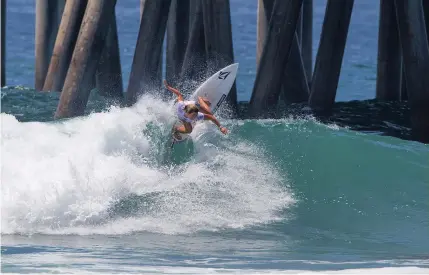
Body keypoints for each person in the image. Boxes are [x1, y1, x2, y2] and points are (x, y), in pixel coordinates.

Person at [164, 80, 228, 139]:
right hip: (189, 107)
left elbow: (211, 117)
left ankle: (200, 99)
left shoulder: (197, 115)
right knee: (189, 130)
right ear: (187, 113)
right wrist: (168, 87)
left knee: (210, 113)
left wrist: (221, 127)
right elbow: (178, 94)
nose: (195, 117)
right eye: (193, 116)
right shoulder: (180, 108)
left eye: (196, 115)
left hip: (195, 105)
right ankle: (176, 129)